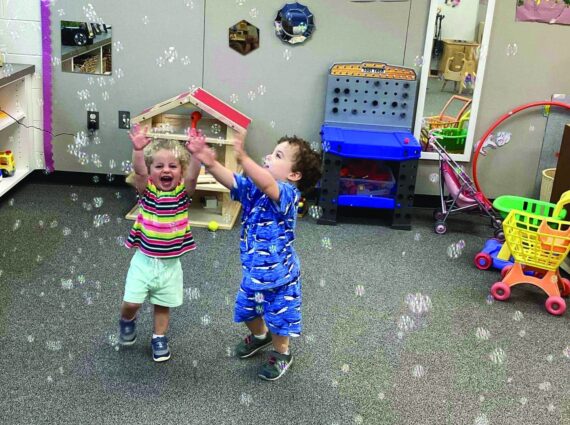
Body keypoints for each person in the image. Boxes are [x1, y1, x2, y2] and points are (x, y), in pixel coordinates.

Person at [187, 132, 322, 380]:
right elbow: (232, 181)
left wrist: (243, 156)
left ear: (294, 175)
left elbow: (269, 185)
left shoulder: (289, 195)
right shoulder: (256, 191)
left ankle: (282, 353)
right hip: (254, 273)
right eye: (272, 152)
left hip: (281, 278)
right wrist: (209, 162)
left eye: (278, 155)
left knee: (280, 318)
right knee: (247, 310)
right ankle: (261, 336)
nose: (270, 156)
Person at [118, 124, 201, 362]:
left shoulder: (182, 195)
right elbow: (140, 173)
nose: (167, 170)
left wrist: (196, 153)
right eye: (159, 166)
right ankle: (127, 319)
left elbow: (194, 175)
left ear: (181, 171)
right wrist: (137, 150)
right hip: (144, 262)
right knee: (131, 302)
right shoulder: (149, 192)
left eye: (173, 166)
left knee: (163, 304)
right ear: (151, 171)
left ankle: (159, 337)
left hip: (170, 265)